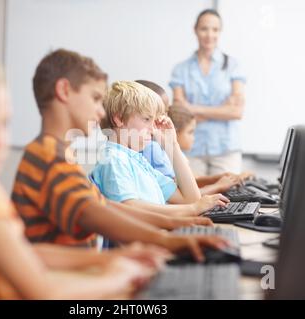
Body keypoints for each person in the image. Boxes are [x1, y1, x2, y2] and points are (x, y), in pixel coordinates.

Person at [0, 53, 164, 300]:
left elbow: (23, 254)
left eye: (4, 124)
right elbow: (45, 293)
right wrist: (120, 278)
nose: (0, 141)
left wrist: (107, 261)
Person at [12, 49, 229, 262]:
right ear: (64, 90)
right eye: (96, 98)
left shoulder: (61, 156)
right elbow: (113, 211)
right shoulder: (50, 159)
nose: (100, 111)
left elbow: (105, 207)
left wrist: (179, 220)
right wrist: (177, 224)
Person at [91, 80, 230, 216]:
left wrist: (172, 145)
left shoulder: (138, 161)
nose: (152, 129)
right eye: (146, 119)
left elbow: (191, 198)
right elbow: (129, 207)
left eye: (154, 121)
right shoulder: (114, 159)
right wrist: (193, 209)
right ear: (119, 119)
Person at [170, 9, 246, 176]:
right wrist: (221, 110)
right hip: (192, 149)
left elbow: (236, 112)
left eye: (215, 29)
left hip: (226, 149)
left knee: (230, 199)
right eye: (204, 28)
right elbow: (179, 114)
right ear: (195, 30)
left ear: (220, 32)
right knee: (195, 197)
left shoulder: (233, 66)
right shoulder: (180, 70)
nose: (209, 34)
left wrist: (192, 108)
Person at [168, 104, 243, 195]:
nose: (193, 138)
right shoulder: (167, 160)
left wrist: (216, 179)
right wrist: (218, 186)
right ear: (174, 132)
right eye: (190, 132)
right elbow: (190, 196)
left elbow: (191, 182)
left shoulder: (179, 155)